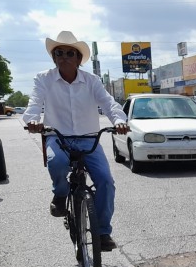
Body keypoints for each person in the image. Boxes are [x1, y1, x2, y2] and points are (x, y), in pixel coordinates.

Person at [23, 31, 129, 251]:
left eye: (70, 53)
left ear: (79, 58)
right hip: (57, 137)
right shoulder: (44, 79)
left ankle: (102, 233)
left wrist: (119, 120)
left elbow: (108, 104)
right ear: (54, 57)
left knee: (106, 182)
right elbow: (35, 102)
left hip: (88, 139)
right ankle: (60, 194)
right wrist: (32, 120)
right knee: (57, 163)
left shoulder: (92, 81)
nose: (64, 56)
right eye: (59, 52)